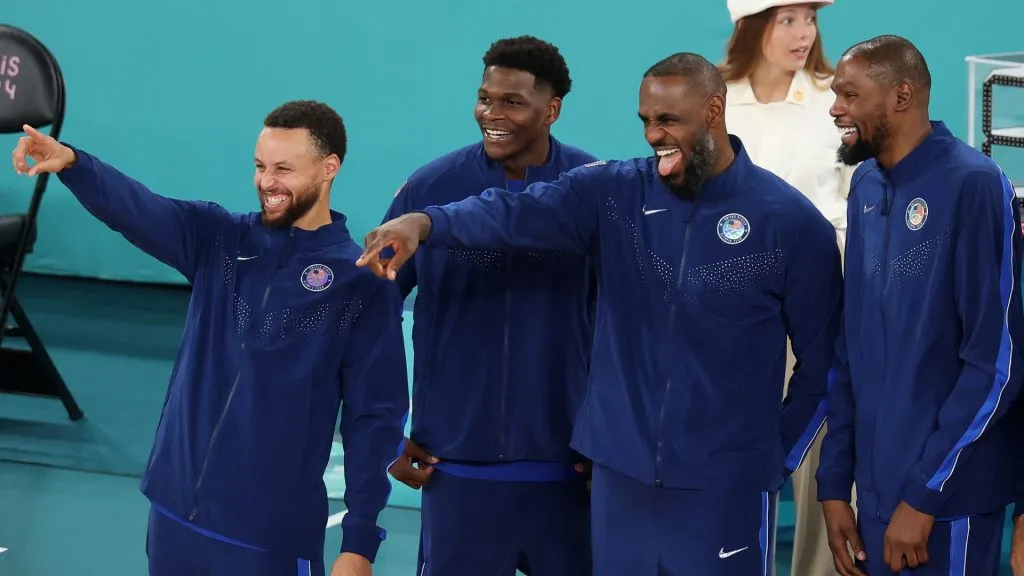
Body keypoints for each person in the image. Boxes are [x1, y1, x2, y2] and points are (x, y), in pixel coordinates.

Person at [357, 52, 842, 576]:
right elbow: (513, 211)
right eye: (646, 121)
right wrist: (423, 223)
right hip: (618, 485)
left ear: (714, 110)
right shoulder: (614, 193)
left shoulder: (791, 223)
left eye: (668, 120)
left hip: (724, 489)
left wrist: (774, 458)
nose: (654, 135)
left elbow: (825, 364)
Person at [11, 101, 410, 576]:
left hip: (268, 534)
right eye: (260, 167)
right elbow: (139, 209)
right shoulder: (218, 239)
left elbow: (375, 417)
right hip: (173, 508)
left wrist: (359, 541)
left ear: (329, 169)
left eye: (284, 169)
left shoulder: (358, 282)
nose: (267, 182)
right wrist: (75, 164)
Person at [382, 35, 596, 576]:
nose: (491, 115)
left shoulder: (593, 190)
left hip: (569, 467)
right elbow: (373, 313)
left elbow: (629, 324)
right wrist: (386, 427)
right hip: (455, 465)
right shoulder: (430, 187)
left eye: (512, 102)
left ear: (552, 110)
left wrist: (610, 437)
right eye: (485, 98)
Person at [816, 35, 1024, 576]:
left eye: (850, 95)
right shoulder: (863, 186)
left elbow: (994, 364)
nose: (836, 108)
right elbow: (849, 350)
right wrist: (836, 484)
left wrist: (926, 493)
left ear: (902, 96)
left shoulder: (976, 185)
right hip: (877, 498)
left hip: (946, 504)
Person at [720, 2, 851, 573]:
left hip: (823, 299)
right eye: (788, 20)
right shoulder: (714, 97)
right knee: (729, 449)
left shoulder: (836, 97)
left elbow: (861, 196)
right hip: (733, 308)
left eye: (810, 19)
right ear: (750, 25)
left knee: (824, 455)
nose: (805, 34)